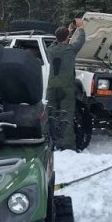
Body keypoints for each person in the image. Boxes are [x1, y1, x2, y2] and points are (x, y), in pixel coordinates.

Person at [46, 17, 85, 151]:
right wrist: (80, 28)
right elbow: (81, 41)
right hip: (66, 87)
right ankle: (67, 145)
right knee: (66, 115)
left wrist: (66, 32)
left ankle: (49, 141)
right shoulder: (70, 50)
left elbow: (55, 42)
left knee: (51, 114)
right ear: (67, 37)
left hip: (52, 87)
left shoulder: (51, 50)